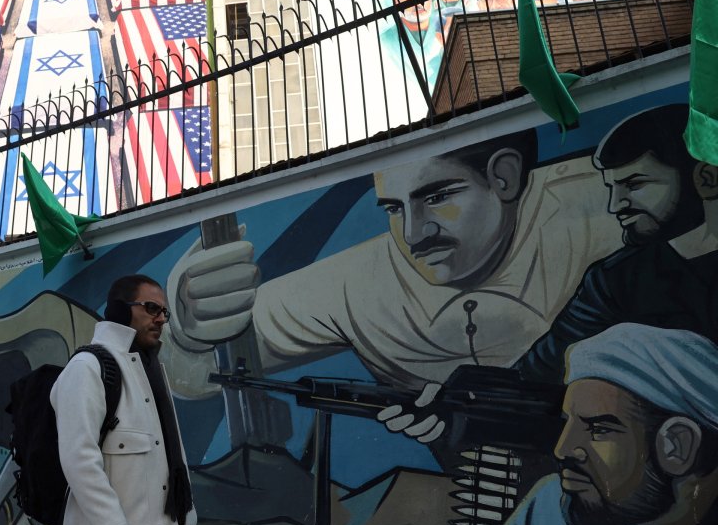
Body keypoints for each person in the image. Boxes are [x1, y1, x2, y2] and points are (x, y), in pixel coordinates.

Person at [163, 130, 621, 396]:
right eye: (394, 208)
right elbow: (195, 371)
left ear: (504, 176)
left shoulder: (603, 204)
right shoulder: (357, 286)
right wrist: (185, 324)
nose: (413, 233)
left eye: (438, 197)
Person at [514, 104, 718, 383]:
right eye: (613, 188)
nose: (616, 205)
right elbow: (537, 374)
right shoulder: (614, 280)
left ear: (706, 179)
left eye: (634, 185)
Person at [490, 323, 718, 525]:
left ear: (677, 446)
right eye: (567, 424)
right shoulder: (549, 503)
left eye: (598, 429)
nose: (562, 450)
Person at [51, 275, 197, 525]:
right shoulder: (86, 367)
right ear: (120, 310)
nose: (161, 319)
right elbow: (79, 459)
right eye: (151, 308)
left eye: (164, 312)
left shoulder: (149, 370)